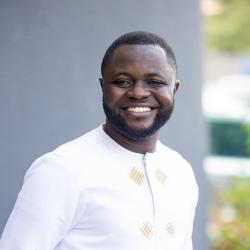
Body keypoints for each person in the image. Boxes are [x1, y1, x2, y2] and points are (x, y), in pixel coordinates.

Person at [0, 31, 198, 250]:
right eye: (122, 81)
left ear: (174, 89)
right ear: (103, 86)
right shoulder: (61, 170)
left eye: (155, 81)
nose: (139, 92)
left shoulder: (180, 172)